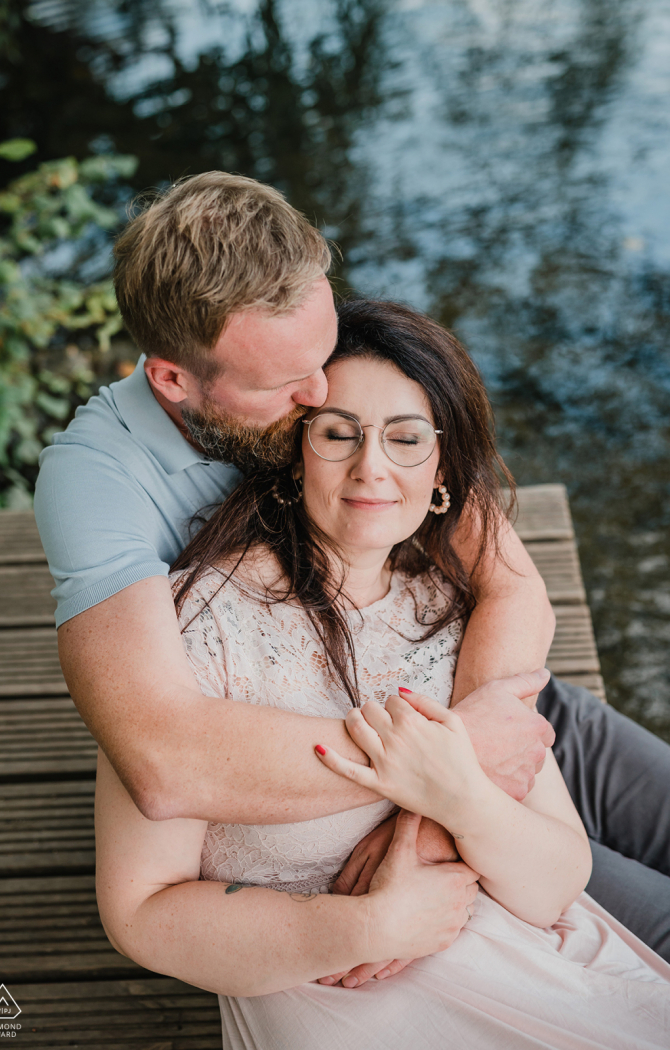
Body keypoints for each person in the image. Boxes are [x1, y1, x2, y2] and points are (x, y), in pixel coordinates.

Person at [34, 172, 670, 973]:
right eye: (287, 386)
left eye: (325, 349)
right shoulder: (98, 483)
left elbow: (510, 582)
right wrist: (422, 776)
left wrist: (449, 777)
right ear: (173, 379)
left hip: (494, 698)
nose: (326, 392)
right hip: (323, 785)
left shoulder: (300, 341)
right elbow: (163, 760)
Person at [95, 300, 669, 1050]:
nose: (372, 467)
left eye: (405, 439)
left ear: (441, 473)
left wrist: (460, 797)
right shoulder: (197, 623)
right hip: (337, 996)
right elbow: (142, 911)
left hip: (522, 955)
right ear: (295, 450)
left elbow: (556, 880)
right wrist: (356, 927)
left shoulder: (456, 605)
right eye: (340, 435)